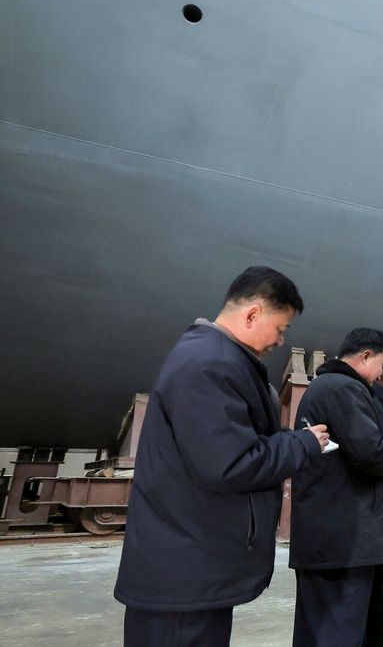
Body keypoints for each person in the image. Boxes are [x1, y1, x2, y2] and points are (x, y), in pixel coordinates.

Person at [114, 266, 329, 646]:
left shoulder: (212, 358)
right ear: (252, 314)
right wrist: (303, 444)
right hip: (184, 578)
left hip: (190, 568)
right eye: (281, 329)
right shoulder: (209, 365)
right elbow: (230, 464)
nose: (281, 341)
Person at [289, 329, 383, 647]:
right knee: (336, 630)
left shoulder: (345, 388)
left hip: (352, 536)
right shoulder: (342, 388)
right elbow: (369, 452)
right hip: (340, 539)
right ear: (366, 356)